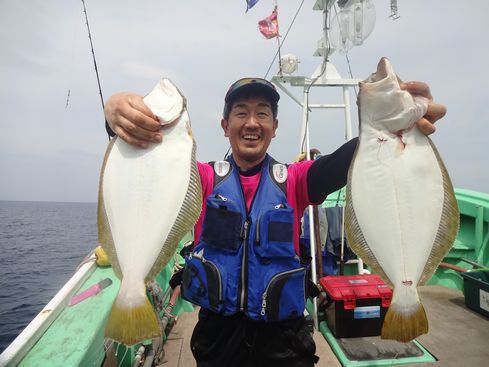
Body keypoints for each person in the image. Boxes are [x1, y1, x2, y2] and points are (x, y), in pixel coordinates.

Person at [104, 77, 446, 367]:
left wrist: (390, 123)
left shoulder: (295, 180)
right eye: (241, 113)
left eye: (262, 114)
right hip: (216, 339)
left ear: (274, 128)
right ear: (225, 126)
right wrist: (117, 117)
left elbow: (343, 163)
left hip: (284, 342)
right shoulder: (202, 178)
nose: (252, 123)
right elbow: (152, 167)